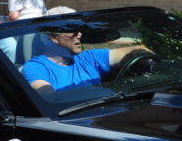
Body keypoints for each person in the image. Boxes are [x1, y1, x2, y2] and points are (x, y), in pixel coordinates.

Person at [22, 25, 152, 93]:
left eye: (79, 30)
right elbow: (49, 98)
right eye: (72, 31)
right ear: (54, 38)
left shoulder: (88, 58)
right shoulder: (35, 68)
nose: (79, 35)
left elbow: (140, 50)